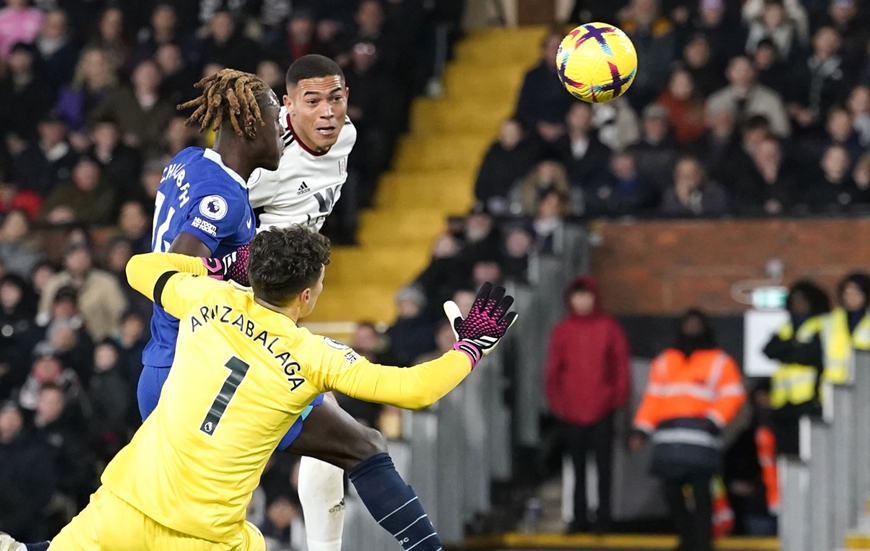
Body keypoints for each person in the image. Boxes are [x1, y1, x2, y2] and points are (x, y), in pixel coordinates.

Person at [0, 227, 518, 551]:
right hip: (205, 541)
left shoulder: (207, 298)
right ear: (308, 295)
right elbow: (414, 389)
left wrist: (217, 266)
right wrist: (471, 347)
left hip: (122, 510)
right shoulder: (316, 356)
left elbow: (140, 268)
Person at [139, 62, 438, 551]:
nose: (327, 114)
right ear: (281, 111)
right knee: (359, 448)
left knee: (156, 521)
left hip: (195, 345)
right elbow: (179, 267)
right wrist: (242, 263)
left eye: (336, 99)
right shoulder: (236, 189)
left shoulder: (193, 162)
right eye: (309, 102)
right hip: (218, 351)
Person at [631, 309, 746, 551]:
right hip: (669, 440)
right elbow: (652, 398)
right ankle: (688, 538)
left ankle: (702, 542)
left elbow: (733, 394)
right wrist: (641, 430)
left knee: (702, 494)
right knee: (671, 493)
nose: (692, 329)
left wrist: (714, 419)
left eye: (697, 324)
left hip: (701, 440)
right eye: (688, 324)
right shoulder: (664, 361)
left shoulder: (719, 361)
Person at [545, 277, 630, 533]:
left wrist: (615, 398)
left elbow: (620, 366)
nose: (582, 301)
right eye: (577, 296)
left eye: (586, 296)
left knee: (604, 468)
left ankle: (603, 518)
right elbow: (553, 371)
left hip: (602, 409)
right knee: (577, 468)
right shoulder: (563, 330)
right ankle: (579, 517)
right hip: (572, 411)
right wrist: (559, 403)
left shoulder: (608, 327)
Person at [763, 280, 830, 455]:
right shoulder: (787, 326)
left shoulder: (821, 324)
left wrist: (788, 350)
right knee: (786, 451)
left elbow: (812, 355)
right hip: (784, 401)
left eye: (803, 300)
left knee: (809, 450)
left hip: (809, 399)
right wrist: (795, 347)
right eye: (794, 300)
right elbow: (769, 350)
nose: (798, 305)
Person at [818, 273, 870, 385]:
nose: (851, 298)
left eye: (856, 293)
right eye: (847, 293)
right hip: (835, 385)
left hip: (865, 385)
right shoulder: (830, 321)